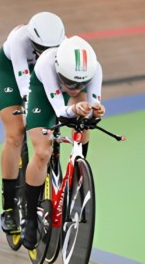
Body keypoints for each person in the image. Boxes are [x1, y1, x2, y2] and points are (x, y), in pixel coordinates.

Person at [21, 35, 105, 249]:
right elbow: (60, 111)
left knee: (84, 120)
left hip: (67, 101)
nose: (75, 87)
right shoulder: (48, 64)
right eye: (69, 81)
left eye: (81, 83)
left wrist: (95, 112)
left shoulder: (95, 69)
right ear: (60, 70)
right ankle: (30, 217)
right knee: (42, 152)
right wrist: (74, 109)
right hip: (43, 94)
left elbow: (93, 106)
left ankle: (78, 168)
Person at [0, 12, 66, 233]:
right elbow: (24, 82)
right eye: (40, 47)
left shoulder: (63, 44)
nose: (45, 51)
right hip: (11, 74)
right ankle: (8, 208)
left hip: (42, 74)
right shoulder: (19, 41)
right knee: (15, 135)